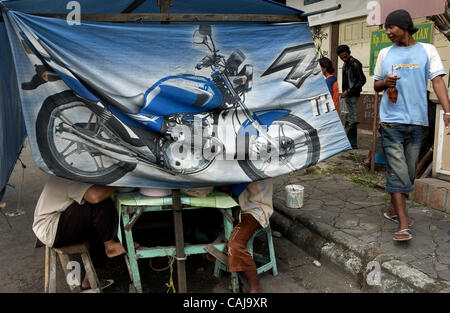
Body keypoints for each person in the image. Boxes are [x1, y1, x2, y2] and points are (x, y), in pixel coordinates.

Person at [373, 9, 450, 242]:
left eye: (391, 27)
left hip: (416, 122)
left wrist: (448, 110)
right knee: (397, 171)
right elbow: (376, 85)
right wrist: (385, 82)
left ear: (404, 26)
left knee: (407, 173)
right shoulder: (385, 53)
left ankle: (392, 209)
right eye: (386, 27)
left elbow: (437, 81)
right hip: (391, 122)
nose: (388, 32)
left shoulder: (428, 50)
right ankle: (403, 223)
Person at [33, 175, 127, 290]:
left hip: (56, 224)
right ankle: (111, 244)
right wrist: (119, 183)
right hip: (51, 229)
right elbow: (94, 197)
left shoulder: (71, 170)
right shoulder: (68, 174)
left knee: (98, 226)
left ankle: (88, 281)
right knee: (98, 202)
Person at [227, 179, 273, 293]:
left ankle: (255, 286)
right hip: (249, 209)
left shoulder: (247, 166)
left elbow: (229, 187)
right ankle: (235, 273)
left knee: (235, 245)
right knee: (223, 230)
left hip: (256, 212)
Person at [337, 44, 367, 149]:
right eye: (341, 57)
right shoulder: (345, 65)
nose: (344, 59)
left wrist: (349, 90)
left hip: (353, 94)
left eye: (345, 56)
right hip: (347, 95)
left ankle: (352, 144)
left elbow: (362, 80)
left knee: (352, 119)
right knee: (348, 118)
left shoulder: (355, 63)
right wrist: (345, 91)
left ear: (349, 53)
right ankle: (348, 142)